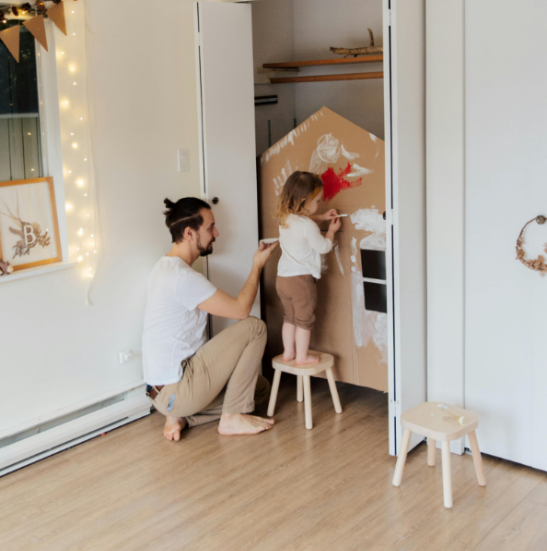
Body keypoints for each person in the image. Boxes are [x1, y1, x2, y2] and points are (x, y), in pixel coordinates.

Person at [142, 197, 278, 441]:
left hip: (163, 395)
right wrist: (257, 265)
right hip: (178, 387)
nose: (216, 233)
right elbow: (240, 311)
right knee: (255, 327)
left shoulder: (163, 268)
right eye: (209, 227)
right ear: (189, 233)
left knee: (259, 389)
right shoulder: (182, 278)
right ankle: (232, 417)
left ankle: (183, 417)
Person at [275, 171, 341, 365]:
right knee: (304, 321)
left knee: (290, 318)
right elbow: (323, 247)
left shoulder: (285, 219)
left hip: (283, 279)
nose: (319, 204)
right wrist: (331, 231)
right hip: (301, 281)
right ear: (305, 201)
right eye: (318, 201)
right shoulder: (308, 226)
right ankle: (302, 356)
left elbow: (303, 224)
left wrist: (320, 216)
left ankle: (288, 353)